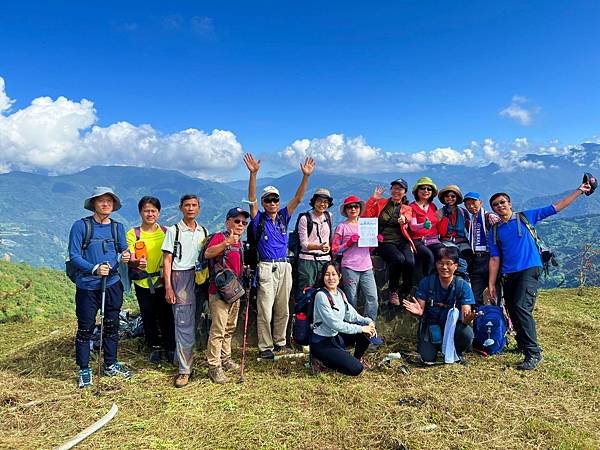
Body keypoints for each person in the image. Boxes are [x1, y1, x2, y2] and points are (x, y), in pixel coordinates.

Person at [488, 180, 592, 370]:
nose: (500, 206)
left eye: (502, 202)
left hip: (529, 268)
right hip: (508, 273)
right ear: (493, 210)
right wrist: (492, 283)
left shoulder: (525, 217)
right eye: (496, 205)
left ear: (510, 204)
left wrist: (579, 191)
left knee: (521, 307)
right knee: (511, 308)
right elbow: (494, 258)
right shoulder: (494, 230)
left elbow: (556, 208)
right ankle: (522, 344)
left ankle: (533, 353)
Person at [244, 153, 314, 360]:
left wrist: (306, 177)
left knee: (283, 307)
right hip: (266, 267)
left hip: (284, 266)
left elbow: (299, 198)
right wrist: (253, 175)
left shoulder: (284, 217)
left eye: (275, 199)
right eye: (269, 200)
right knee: (265, 308)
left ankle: (280, 342)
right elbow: (251, 200)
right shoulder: (259, 219)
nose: (273, 203)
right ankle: (265, 346)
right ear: (264, 203)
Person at [68, 187, 132, 388]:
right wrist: (94, 268)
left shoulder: (117, 227)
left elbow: (123, 250)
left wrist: (126, 256)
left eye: (109, 201)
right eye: (101, 201)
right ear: (94, 204)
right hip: (88, 285)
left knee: (112, 325)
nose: (105, 204)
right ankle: (84, 369)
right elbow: (74, 255)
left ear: (113, 206)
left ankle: (110, 364)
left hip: (112, 283)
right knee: (86, 327)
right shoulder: (81, 226)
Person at [162, 194, 208, 387]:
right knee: (183, 323)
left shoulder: (203, 231)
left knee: (196, 319)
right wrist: (168, 287)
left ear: (199, 208)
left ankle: (183, 359)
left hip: (200, 277)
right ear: (181, 208)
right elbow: (167, 260)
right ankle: (184, 370)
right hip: (180, 277)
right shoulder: (174, 231)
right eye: (187, 205)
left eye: (194, 205)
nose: (191, 208)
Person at [403, 246, 477, 364]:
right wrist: (418, 312)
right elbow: (420, 309)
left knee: (466, 333)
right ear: (436, 264)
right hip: (432, 327)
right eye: (440, 263)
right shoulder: (427, 282)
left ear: (456, 266)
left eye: (448, 263)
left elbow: (465, 315)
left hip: (453, 329)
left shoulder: (463, 286)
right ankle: (436, 347)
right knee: (427, 357)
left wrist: (467, 319)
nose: (444, 267)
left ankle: (457, 351)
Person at [126, 196, 175, 365]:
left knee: (166, 315)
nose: (150, 214)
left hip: (163, 280)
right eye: (146, 210)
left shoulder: (166, 232)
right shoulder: (134, 234)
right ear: (140, 212)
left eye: (153, 211)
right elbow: (130, 258)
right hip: (142, 282)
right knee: (148, 315)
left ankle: (170, 347)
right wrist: (136, 262)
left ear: (159, 213)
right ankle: (154, 346)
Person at [204, 207, 250, 384]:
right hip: (219, 291)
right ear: (227, 221)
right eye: (236, 221)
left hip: (234, 290)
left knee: (229, 328)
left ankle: (225, 358)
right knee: (218, 330)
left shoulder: (239, 242)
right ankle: (214, 366)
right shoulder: (220, 237)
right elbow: (208, 253)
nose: (240, 225)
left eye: (243, 222)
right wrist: (226, 243)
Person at [309, 262, 377, 376]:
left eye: (334, 274)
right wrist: (361, 328)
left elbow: (351, 315)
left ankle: (356, 359)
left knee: (365, 335)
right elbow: (335, 324)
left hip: (335, 337)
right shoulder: (321, 295)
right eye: (327, 274)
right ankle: (321, 361)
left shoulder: (339, 293)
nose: (331, 278)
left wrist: (368, 322)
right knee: (356, 369)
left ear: (339, 276)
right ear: (323, 277)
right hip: (322, 342)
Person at [332, 195, 381, 344]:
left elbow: (369, 249)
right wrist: (348, 243)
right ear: (345, 210)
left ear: (360, 209)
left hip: (366, 266)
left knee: (373, 300)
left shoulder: (366, 225)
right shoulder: (342, 227)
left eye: (356, 206)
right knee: (351, 301)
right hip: (349, 267)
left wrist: (375, 241)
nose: (353, 209)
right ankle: (353, 334)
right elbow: (334, 250)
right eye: (349, 207)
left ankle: (369, 332)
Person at [364, 179, 416, 306]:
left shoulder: (406, 208)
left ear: (405, 193)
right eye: (395, 188)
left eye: (400, 189)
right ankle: (393, 290)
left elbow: (408, 217)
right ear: (391, 190)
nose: (397, 191)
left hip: (401, 241)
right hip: (384, 241)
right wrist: (373, 199)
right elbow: (366, 215)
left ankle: (405, 289)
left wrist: (404, 219)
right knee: (398, 259)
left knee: (410, 261)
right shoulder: (381, 203)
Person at [462, 192, 499, 304]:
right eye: (468, 205)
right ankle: (480, 318)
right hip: (477, 260)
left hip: (490, 258)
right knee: (475, 294)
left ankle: (499, 317)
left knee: (494, 293)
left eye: (473, 203)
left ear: (481, 202)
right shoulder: (472, 220)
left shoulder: (490, 217)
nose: (471, 206)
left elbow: (501, 235)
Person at [296, 188, 333, 293]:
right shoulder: (305, 218)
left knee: (325, 290)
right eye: (319, 201)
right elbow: (304, 244)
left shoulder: (329, 216)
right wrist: (319, 247)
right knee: (306, 291)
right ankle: (304, 310)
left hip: (325, 260)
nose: (322, 204)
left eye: (326, 202)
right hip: (308, 261)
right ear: (314, 202)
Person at [408, 177, 444, 278]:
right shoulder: (412, 207)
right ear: (417, 191)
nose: (426, 191)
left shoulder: (433, 206)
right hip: (418, 240)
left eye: (429, 189)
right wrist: (423, 225)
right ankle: (427, 283)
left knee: (443, 253)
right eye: (423, 188)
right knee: (429, 256)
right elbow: (413, 227)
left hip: (433, 239)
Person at [436, 185, 471, 256]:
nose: (450, 198)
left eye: (453, 196)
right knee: (453, 254)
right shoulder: (440, 212)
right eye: (447, 196)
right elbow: (438, 230)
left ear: (456, 198)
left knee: (468, 254)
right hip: (446, 241)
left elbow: (469, 228)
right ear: (444, 198)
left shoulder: (463, 212)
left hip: (462, 241)